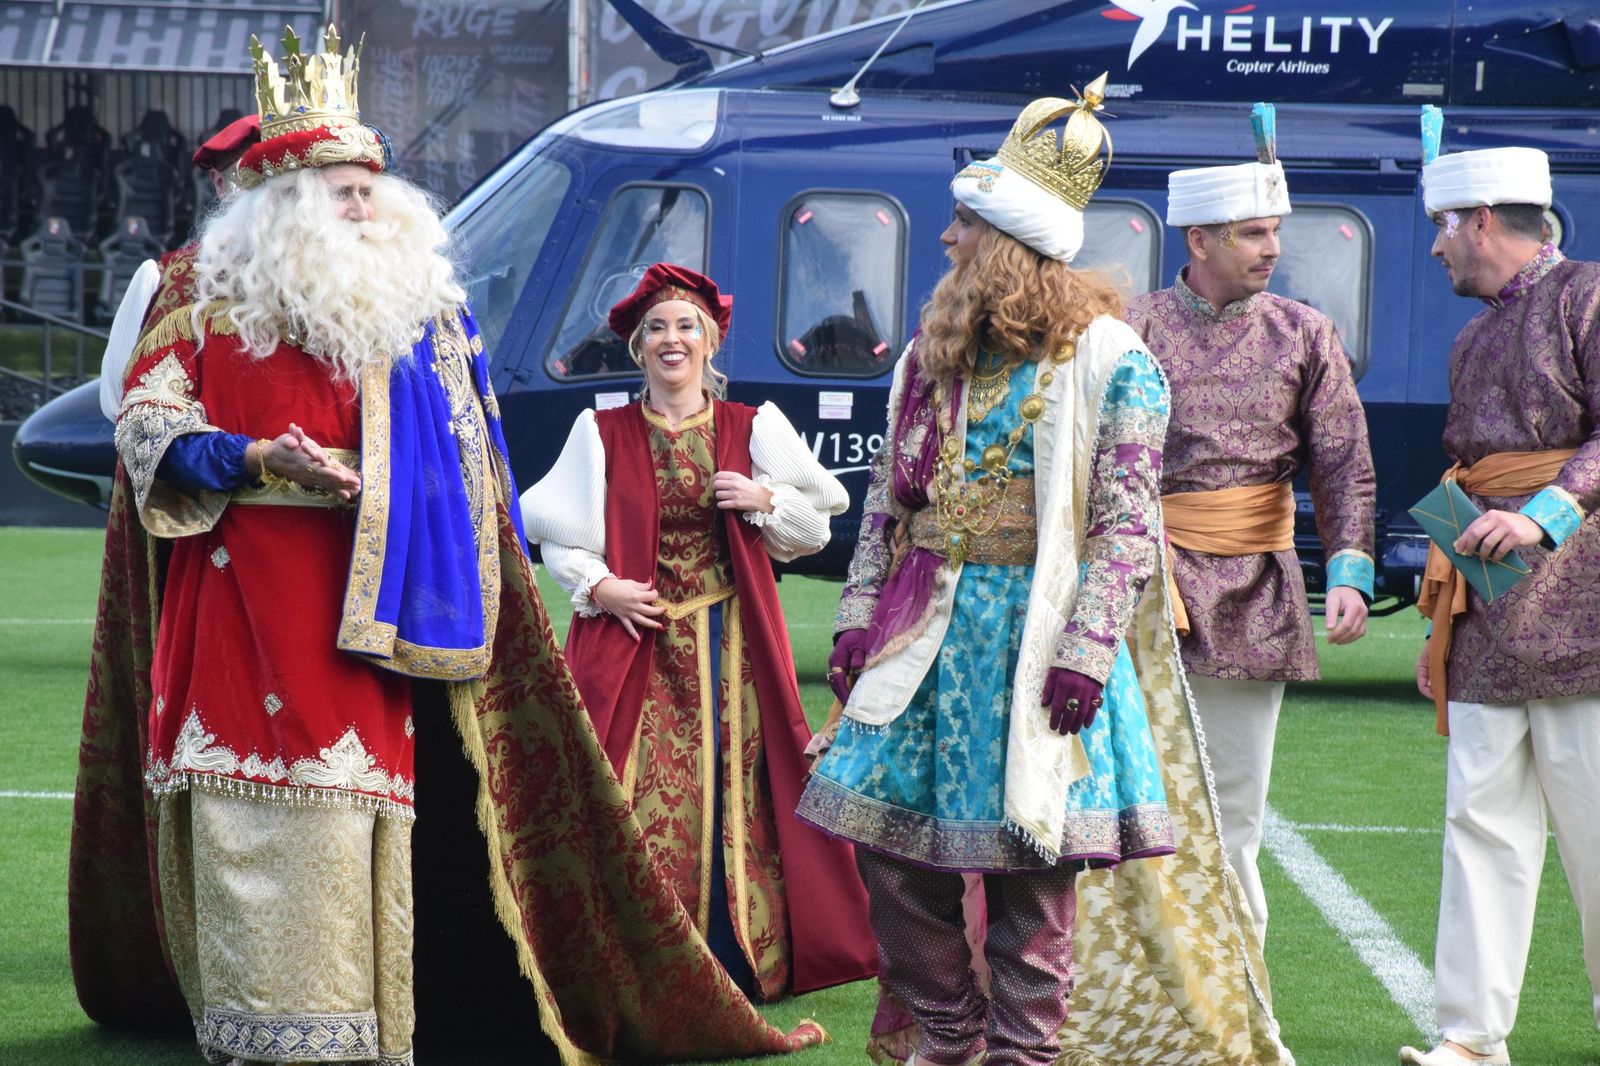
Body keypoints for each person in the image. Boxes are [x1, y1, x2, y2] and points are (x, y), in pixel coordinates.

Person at [68, 26, 829, 1065]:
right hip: (241, 597)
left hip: (379, 604)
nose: (364, 204)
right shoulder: (199, 294)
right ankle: (261, 1035)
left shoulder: (416, 305)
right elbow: (146, 429)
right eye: (339, 188)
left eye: (370, 185)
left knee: (359, 823)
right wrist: (252, 460)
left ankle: (367, 1028)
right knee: (250, 819)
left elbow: (476, 465)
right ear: (281, 200)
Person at [799, 78, 1293, 1066]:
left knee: (1032, 868)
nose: (944, 242)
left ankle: (1020, 1056)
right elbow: (887, 514)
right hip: (927, 634)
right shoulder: (927, 359)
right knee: (889, 852)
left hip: (1036, 648)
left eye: (962, 225)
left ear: (1008, 242)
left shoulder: (1115, 359)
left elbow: (1122, 531)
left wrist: (1085, 648)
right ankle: (949, 1031)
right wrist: (859, 615)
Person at [521, 262, 877, 1000]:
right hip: (636, 644)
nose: (672, 339)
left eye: (686, 326)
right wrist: (599, 585)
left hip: (729, 643)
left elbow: (822, 517)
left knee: (736, 787)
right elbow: (554, 530)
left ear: (710, 343)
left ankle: (735, 955)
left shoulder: (752, 428)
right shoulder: (601, 431)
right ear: (639, 348)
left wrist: (763, 495)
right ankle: (639, 961)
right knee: (635, 794)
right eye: (657, 328)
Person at [1124, 102, 1375, 946]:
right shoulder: (1129, 329)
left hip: (1254, 591)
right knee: (1123, 806)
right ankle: (1120, 1007)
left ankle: (1241, 1011)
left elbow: (1342, 458)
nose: (1273, 249)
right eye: (1252, 234)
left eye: (1274, 233)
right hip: (1135, 588)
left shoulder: (1306, 332)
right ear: (1197, 239)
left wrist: (1348, 566)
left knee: (1233, 815)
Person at [1400, 109, 1600, 1066]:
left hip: (1587, 618)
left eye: (1441, 227)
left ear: (1480, 218)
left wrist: (1545, 513)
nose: (1434, 250)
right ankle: (1471, 1039)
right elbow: (1467, 472)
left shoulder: (1592, 297)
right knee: (1479, 826)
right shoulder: (1471, 339)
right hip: (1481, 618)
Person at [97, 112, 261, 422]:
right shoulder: (161, 278)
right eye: (251, 176)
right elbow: (117, 399)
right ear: (220, 183)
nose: (268, 195)